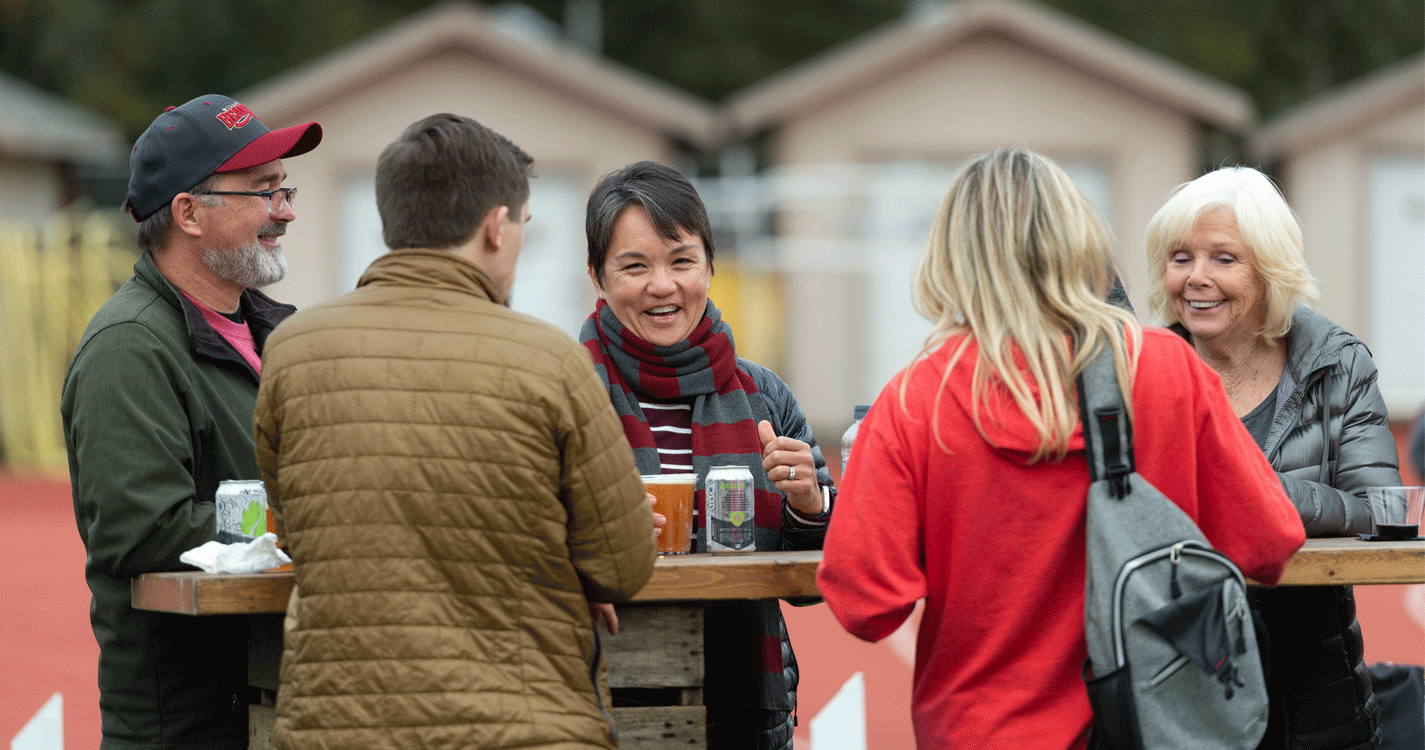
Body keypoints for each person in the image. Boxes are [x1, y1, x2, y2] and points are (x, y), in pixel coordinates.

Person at [815, 148, 1306, 749]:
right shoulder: (1163, 367)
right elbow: (1270, 544)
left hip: (978, 731)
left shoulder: (917, 399)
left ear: (952, 256)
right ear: (1079, 241)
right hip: (1147, 727)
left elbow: (867, 604)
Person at [252, 113, 657, 750]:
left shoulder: (295, 350)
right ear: (497, 226)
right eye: (524, 224)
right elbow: (625, 562)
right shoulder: (550, 359)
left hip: (334, 730)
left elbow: (296, 526)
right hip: (524, 726)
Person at [60, 94, 320, 749]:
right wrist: (307, 516)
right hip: (189, 728)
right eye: (263, 191)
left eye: (284, 189)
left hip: (273, 708)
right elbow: (143, 528)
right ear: (188, 212)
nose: (285, 209)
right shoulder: (128, 347)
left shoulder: (277, 333)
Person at [1145, 166, 1401, 750]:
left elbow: (1379, 508)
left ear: (1271, 270)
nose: (1196, 279)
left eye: (1224, 260)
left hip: (1314, 681)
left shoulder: (1336, 363)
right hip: (1181, 679)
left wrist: (1261, 494)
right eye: (1181, 257)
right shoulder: (1140, 371)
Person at [581, 160, 834, 750]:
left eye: (681, 260)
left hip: (744, 714)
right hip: (599, 711)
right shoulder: (565, 394)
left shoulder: (763, 396)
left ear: (710, 267)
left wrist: (808, 501)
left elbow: (813, 584)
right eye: (634, 266)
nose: (662, 285)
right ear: (597, 276)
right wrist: (594, 537)